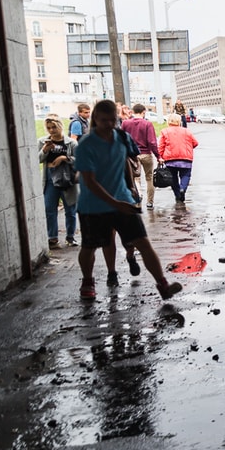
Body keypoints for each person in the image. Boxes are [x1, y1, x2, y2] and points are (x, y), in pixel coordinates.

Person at [74, 100, 181, 301]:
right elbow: (88, 180)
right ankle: (87, 282)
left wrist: (131, 188)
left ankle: (163, 285)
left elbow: (125, 162)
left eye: (112, 120)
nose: (108, 124)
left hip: (123, 200)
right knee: (89, 246)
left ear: (117, 119)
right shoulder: (86, 145)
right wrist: (115, 203)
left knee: (143, 243)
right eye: (103, 120)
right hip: (93, 206)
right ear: (95, 119)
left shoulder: (122, 138)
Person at [38, 115, 78, 247]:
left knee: (70, 209)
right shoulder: (43, 141)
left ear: (60, 126)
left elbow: (79, 160)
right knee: (50, 209)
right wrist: (45, 150)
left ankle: (70, 237)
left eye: (54, 127)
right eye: (48, 128)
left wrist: (63, 158)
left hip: (67, 177)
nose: (51, 130)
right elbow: (37, 159)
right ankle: (52, 238)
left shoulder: (71, 143)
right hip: (50, 177)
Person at [123, 103, 161, 210]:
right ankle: (150, 202)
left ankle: (138, 197)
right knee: (149, 178)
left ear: (133, 112)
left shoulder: (125, 123)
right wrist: (158, 156)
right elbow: (152, 142)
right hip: (146, 154)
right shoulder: (147, 124)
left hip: (131, 156)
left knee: (135, 178)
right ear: (143, 112)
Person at [158, 112, 199, 204]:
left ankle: (177, 195)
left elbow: (161, 146)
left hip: (170, 160)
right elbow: (195, 143)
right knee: (186, 175)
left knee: (173, 178)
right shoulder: (187, 131)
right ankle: (182, 189)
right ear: (179, 121)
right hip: (186, 159)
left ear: (169, 121)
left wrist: (160, 157)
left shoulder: (165, 131)